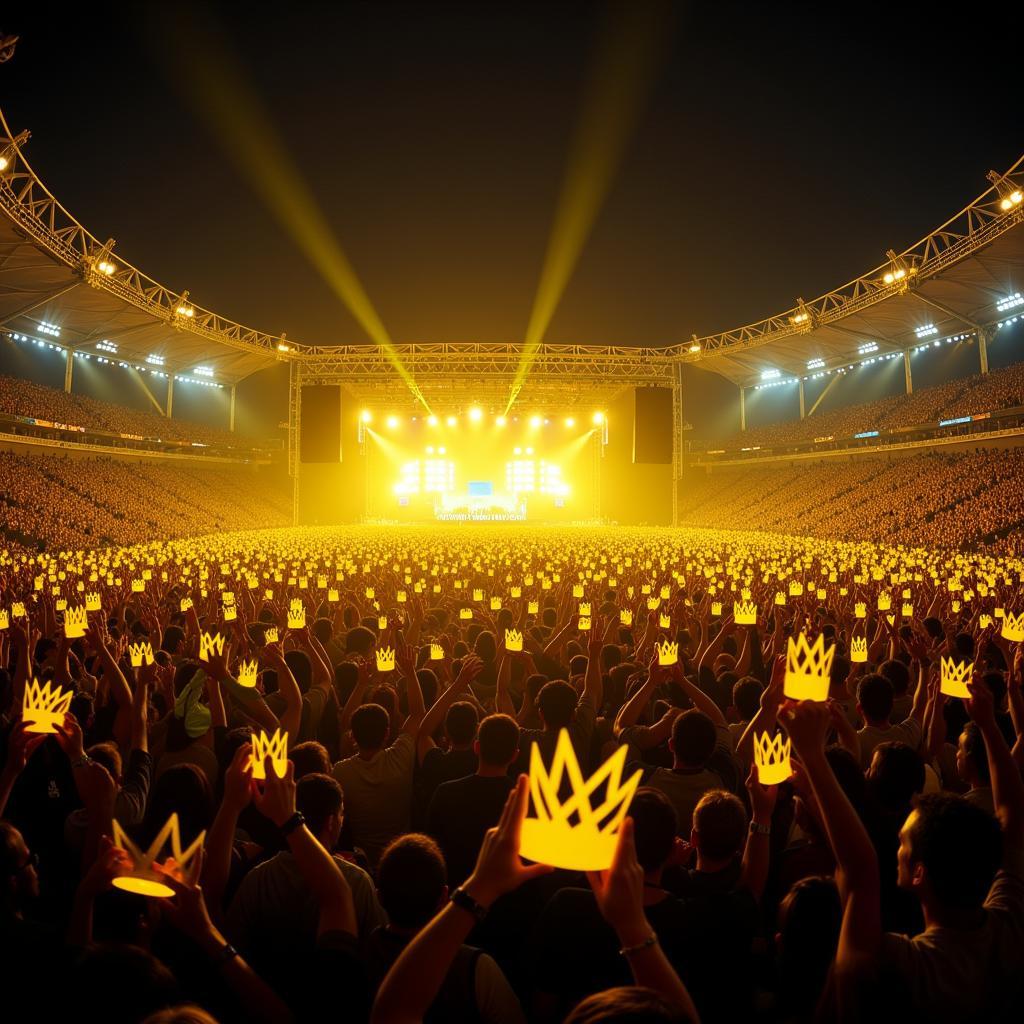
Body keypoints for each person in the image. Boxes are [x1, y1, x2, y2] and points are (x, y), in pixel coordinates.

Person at [427, 713, 519, 886]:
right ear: (515, 755)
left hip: (455, 890)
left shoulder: (445, 793)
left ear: (476, 748)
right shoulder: (523, 801)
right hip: (505, 897)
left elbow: (432, 850)